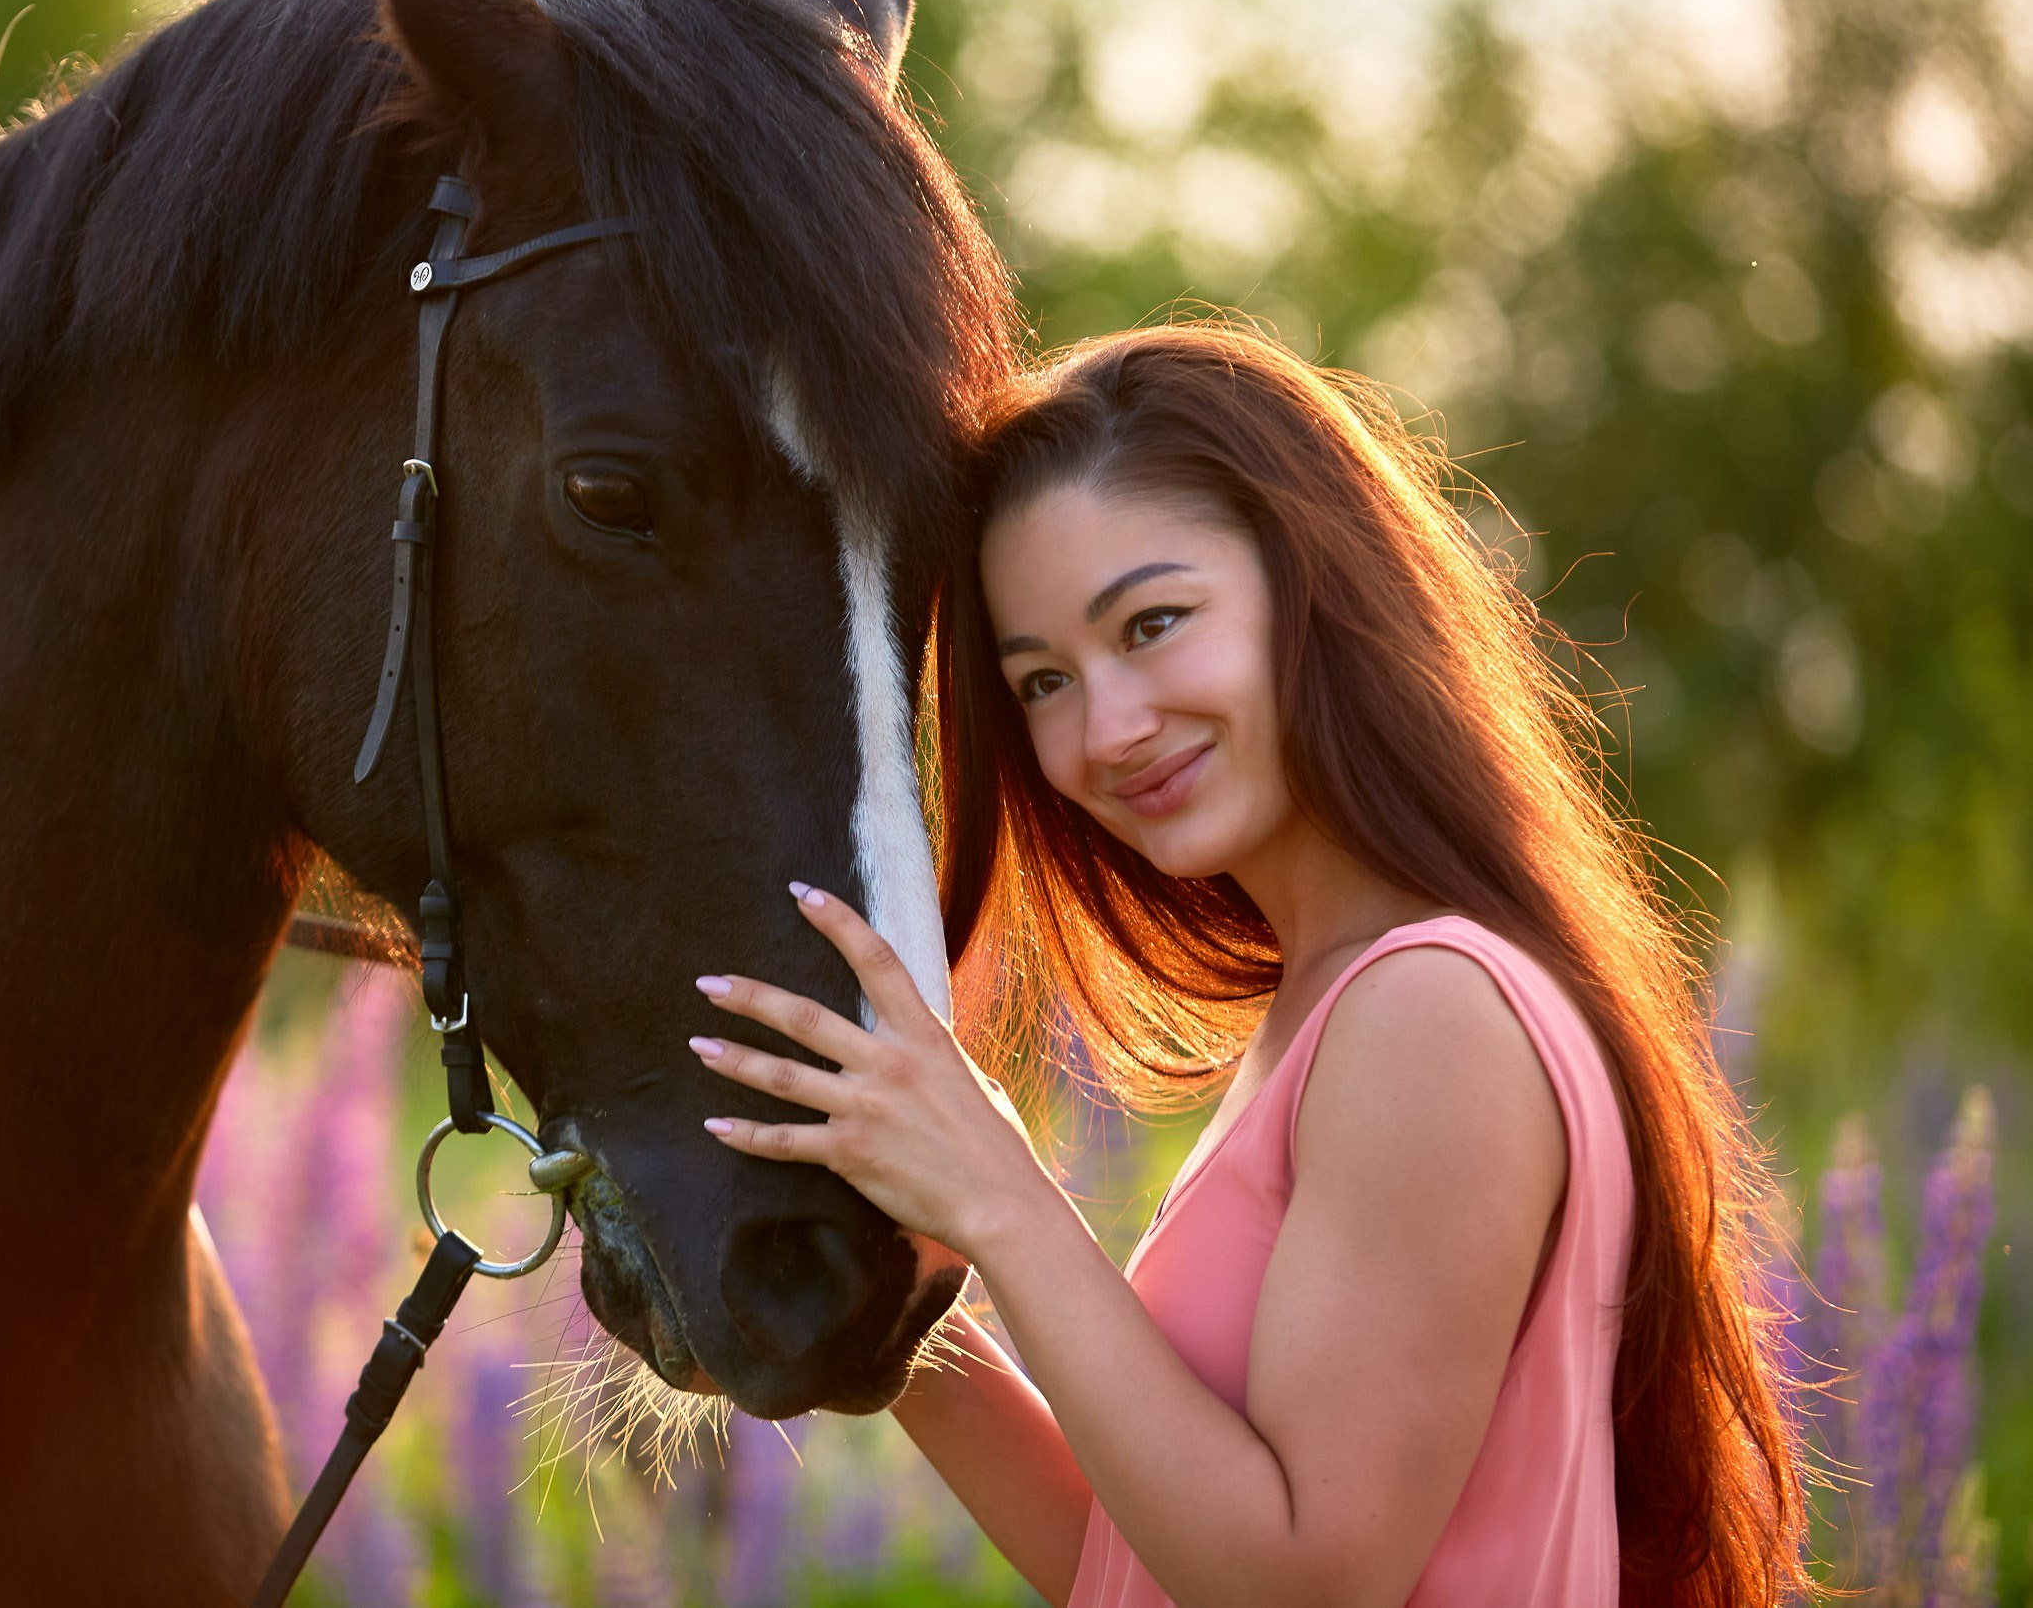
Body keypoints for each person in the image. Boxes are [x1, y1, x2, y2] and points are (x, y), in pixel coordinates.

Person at [685, 324, 1805, 1607]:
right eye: (1042, 680)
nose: (1106, 728)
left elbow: (1304, 1580)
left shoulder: (1430, 1008)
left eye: (1152, 623)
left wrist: (999, 1197)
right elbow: (1146, 1565)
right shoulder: (1337, 1002)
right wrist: (881, 1297)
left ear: (1314, 584)